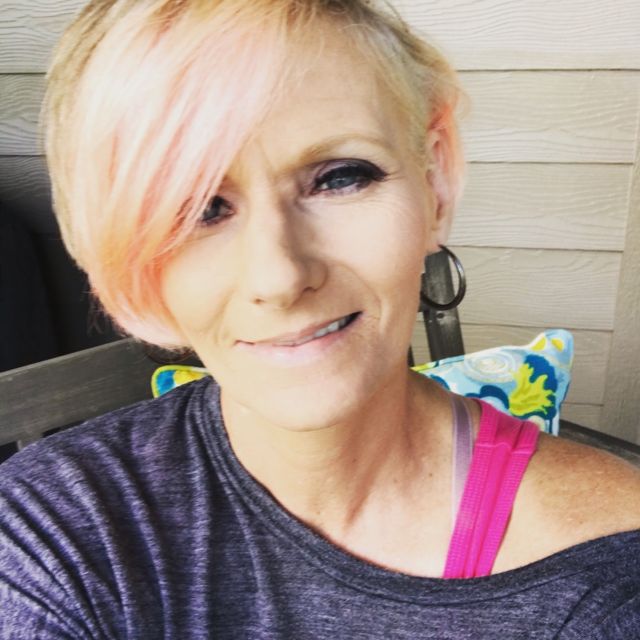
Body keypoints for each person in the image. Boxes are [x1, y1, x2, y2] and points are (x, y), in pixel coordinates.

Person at [1, 0, 639, 637]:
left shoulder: (606, 580)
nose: (278, 276)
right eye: (196, 209)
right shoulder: (49, 528)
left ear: (434, 180)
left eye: (340, 177)